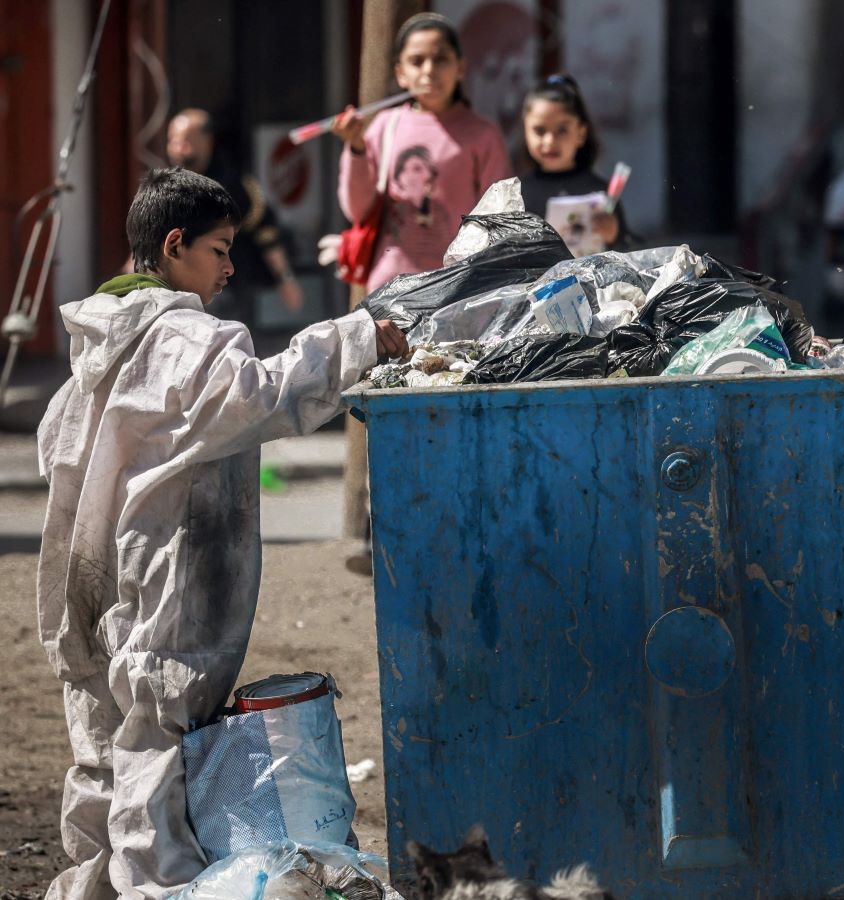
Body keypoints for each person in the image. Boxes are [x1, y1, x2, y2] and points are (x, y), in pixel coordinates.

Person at [36, 167, 406, 900]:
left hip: (91, 579)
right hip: (163, 579)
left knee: (104, 755)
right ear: (175, 245)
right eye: (219, 249)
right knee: (155, 748)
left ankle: (91, 889)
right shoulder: (185, 336)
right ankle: (156, 890)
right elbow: (259, 398)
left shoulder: (96, 342)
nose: (231, 267)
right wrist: (357, 338)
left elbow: (58, 447)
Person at [332, 11, 512, 294]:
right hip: (389, 289)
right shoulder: (384, 126)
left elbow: (500, 218)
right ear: (400, 74)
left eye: (440, 59)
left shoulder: (483, 135)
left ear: (461, 68)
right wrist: (356, 149)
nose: (429, 70)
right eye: (417, 61)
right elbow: (356, 210)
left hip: (459, 290)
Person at [166, 108, 305, 326]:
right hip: (178, 295)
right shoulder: (166, 187)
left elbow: (265, 231)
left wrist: (285, 279)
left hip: (228, 292)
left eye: (185, 141)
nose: (177, 148)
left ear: (207, 141)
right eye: (172, 141)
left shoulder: (232, 187)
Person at [518, 74, 630, 251]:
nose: (549, 141)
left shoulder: (600, 194)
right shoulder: (518, 195)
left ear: (581, 134)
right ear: (525, 130)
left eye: (561, 130)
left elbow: (628, 250)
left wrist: (614, 234)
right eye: (539, 130)